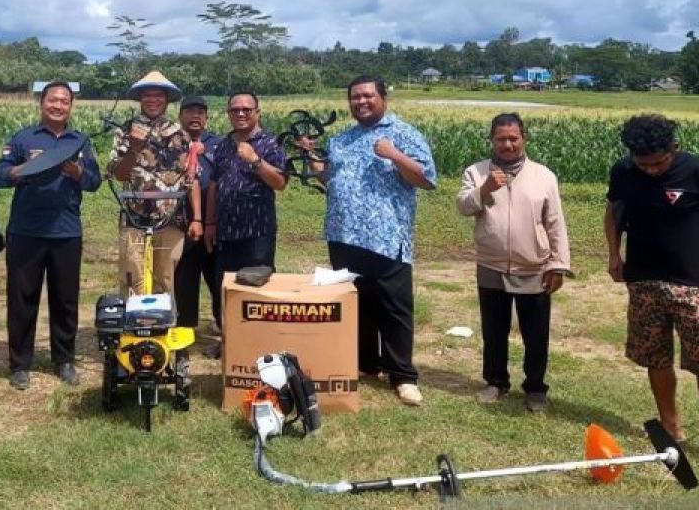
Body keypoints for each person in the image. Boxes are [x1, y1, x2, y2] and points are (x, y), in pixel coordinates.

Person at [606, 114, 699, 475]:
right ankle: (670, 427)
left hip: (692, 285)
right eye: (643, 164)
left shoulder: (698, 171)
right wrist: (614, 253)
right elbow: (614, 210)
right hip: (644, 283)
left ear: (673, 149)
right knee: (656, 358)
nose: (650, 170)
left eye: (658, 163)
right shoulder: (623, 171)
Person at [305, 76, 436, 406]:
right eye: (355, 97)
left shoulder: (403, 133)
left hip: (386, 237)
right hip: (343, 234)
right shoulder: (341, 139)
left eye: (367, 96)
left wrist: (395, 155)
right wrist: (312, 158)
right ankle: (365, 364)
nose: (361, 102)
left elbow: (426, 179)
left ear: (383, 98)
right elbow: (328, 178)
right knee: (355, 303)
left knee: (394, 308)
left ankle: (403, 376)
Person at [456, 113, 572, 413]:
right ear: (491, 140)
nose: (507, 144)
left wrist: (558, 263)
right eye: (500, 139)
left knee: (536, 333)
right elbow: (463, 206)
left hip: (533, 265)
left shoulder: (543, 175)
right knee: (493, 330)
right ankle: (496, 381)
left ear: (523, 139)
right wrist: (484, 190)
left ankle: (535, 388)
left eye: (513, 138)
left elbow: (555, 222)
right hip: (491, 264)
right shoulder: (477, 172)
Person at [0, 81, 101, 390]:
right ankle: (20, 364)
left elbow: (93, 181)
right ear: (42, 103)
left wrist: (77, 173)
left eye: (64, 101)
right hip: (26, 231)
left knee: (66, 299)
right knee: (21, 298)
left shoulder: (80, 141)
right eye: (52, 100)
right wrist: (25, 169)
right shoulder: (23, 138)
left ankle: (64, 360)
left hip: (66, 231)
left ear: (71, 106)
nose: (58, 105)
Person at [205, 91, 287, 358]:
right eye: (235, 110)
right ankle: (228, 340)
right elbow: (215, 185)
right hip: (226, 230)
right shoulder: (223, 144)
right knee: (225, 289)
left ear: (257, 112)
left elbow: (280, 182)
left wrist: (255, 160)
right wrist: (209, 222)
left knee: (256, 287)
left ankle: (256, 342)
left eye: (246, 110)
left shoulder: (270, 143)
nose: (240, 114)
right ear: (229, 113)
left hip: (257, 230)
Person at [107, 71, 201, 296]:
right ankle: (133, 326)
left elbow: (192, 178)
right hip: (134, 216)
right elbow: (118, 175)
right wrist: (134, 149)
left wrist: (197, 217)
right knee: (132, 279)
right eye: (147, 95)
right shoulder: (125, 131)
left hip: (171, 217)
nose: (153, 100)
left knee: (165, 279)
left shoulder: (182, 135)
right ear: (140, 99)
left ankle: (159, 326)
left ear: (167, 99)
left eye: (158, 95)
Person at [173, 95, 221, 331]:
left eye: (200, 112)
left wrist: (203, 153)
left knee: (217, 279)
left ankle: (225, 331)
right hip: (180, 223)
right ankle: (184, 332)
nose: (195, 116)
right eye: (190, 112)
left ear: (206, 117)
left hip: (213, 224)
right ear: (180, 115)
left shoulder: (217, 143)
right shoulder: (172, 141)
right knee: (184, 282)